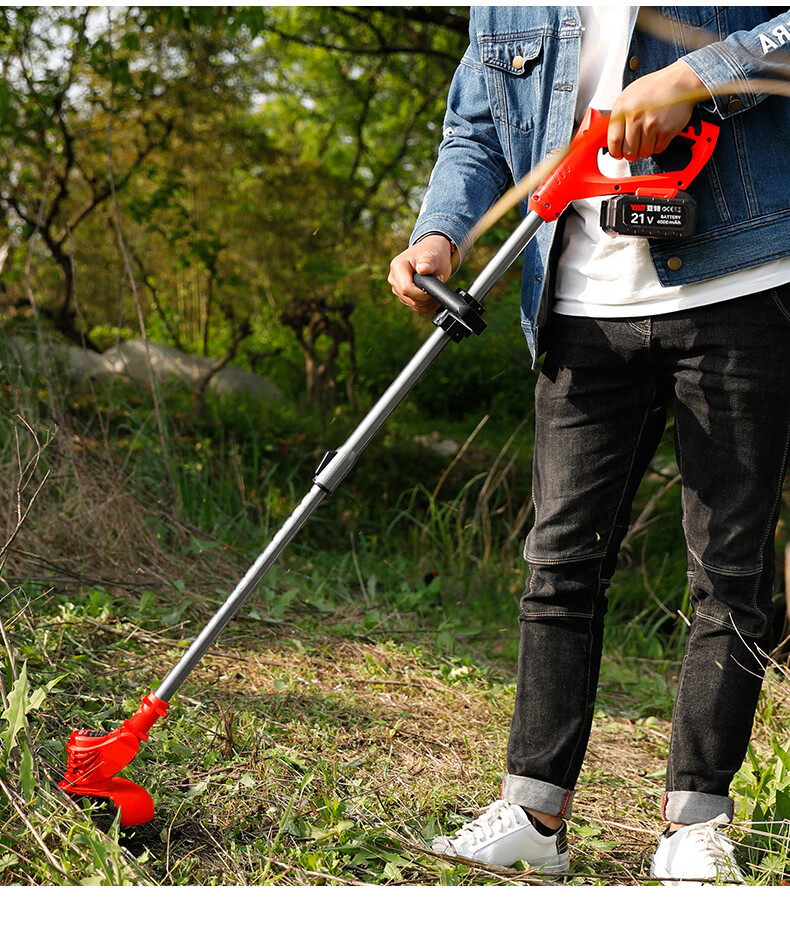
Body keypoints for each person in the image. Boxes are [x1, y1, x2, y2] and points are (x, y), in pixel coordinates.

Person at [388, 6, 790, 883]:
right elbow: (479, 124)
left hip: (741, 285)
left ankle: (697, 824)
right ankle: (533, 813)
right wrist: (439, 230)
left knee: (729, 566)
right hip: (578, 302)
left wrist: (697, 76)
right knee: (559, 562)